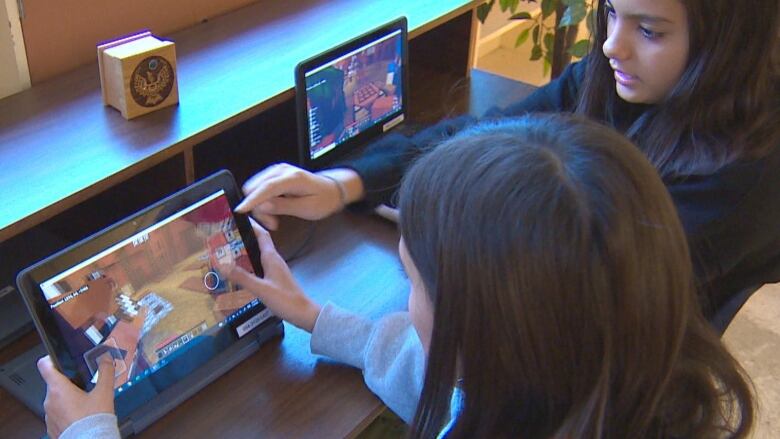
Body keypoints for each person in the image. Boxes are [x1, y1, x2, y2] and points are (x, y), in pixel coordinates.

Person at [38, 115, 754, 438]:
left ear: (492, 334)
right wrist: (317, 317)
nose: (405, 301)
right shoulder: (591, 380)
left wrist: (91, 432)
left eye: (413, 280)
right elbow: (445, 383)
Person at [236, 0, 780, 326]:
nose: (612, 46)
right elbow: (484, 135)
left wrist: (449, 225)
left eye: (649, 30)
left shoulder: (748, 176)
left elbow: (586, 293)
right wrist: (341, 184)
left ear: (726, 41)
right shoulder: (621, 82)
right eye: (611, 12)